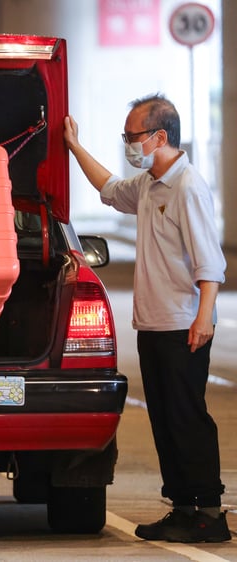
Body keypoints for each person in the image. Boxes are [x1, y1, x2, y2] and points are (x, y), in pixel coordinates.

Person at [64, 94, 229, 543]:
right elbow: (110, 188)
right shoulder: (149, 184)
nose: (128, 144)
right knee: (164, 420)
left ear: (159, 136)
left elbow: (210, 262)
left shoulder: (187, 187)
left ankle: (209, 513)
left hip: (183, 324)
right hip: (154, 325)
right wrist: (75, 147)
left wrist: (203, 318)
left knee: (187, 418)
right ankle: (182, 508)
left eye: (132, 136)